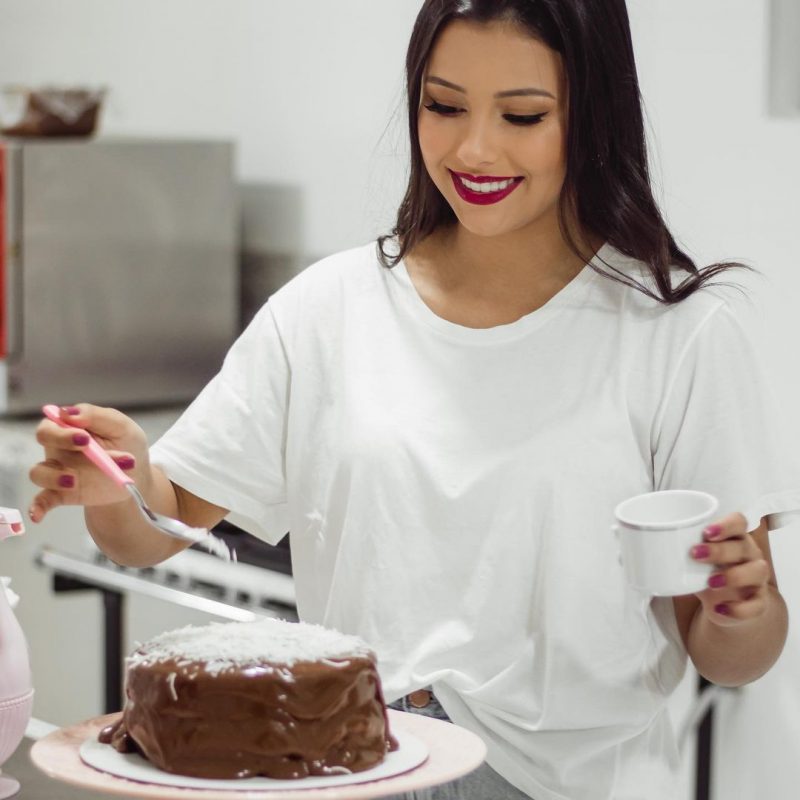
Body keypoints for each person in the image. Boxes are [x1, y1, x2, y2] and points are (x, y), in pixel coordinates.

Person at [28, 1, 800, 798]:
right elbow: (154, 524)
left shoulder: (677, 335)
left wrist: (741, 610)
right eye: (444, 105)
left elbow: (733, 652)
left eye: (523, 115)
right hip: (353, 766)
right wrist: (114, 480)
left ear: (595, 115)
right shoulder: (329, 310)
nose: (474, 147)